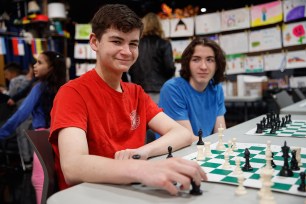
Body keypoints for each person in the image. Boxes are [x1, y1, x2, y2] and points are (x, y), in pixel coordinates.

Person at [49, 4, 207, 196]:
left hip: (130, 190)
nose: (127, 51)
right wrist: (141, 169)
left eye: (133, 44)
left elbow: (182, 134)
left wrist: (143, 153)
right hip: (90, 195)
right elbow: (73, 167)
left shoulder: (136, 92)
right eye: (117, 41)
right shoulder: (72, 93)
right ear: (94, 42)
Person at [0, 51, 67, 204]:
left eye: (40, 63)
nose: (34, 66)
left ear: (51, 68)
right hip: (63, 137)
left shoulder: (39, 88)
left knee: (40, 179)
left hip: (43, 138)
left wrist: (2, 133)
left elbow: (21, 114)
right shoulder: (66, 87)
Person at [158, 37, 227, 141]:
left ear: (217, 65)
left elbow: (221, 134)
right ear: (187, 63)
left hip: (203, 149)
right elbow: (187, 139)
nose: (203, 66)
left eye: (209, 60)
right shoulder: (173, 89)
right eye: (196, 59)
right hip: (178, 152)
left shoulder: (217, 88)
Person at [128, 12, 176, 103]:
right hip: (159, 90)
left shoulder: (135, 44)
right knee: (158, 116)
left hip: (137, 91)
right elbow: (169, 68)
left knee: (140, 116)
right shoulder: (164, 43)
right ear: (159, 25)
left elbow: (130, 69)